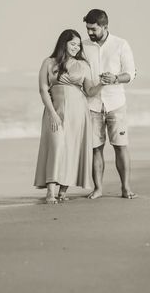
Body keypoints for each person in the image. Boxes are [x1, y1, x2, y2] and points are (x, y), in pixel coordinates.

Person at [34, 29, 106, 204]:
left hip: (78, 113)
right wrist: (52, 113)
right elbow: (43, 90)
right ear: (63, 43)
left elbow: (89, 91)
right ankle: (50, 192)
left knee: (72, 150)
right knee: (56, 146)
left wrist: (102, 84)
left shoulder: (83, 65)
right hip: (55, 112)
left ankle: (63, 190)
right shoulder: (49, 62)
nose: (76, 47)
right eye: (72, 44)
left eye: (78, 45)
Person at [82, 9, 137, 199]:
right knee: (95, 148)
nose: (89, 32)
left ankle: (126, 187)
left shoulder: (121, 44)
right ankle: (98, 188)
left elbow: (130, 73)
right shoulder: (84, 46)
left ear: (105, 27)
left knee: (120, 146)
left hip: (116, 103)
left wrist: (115, 78)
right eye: (88, 29)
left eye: (93, 29)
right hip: (92, 104)